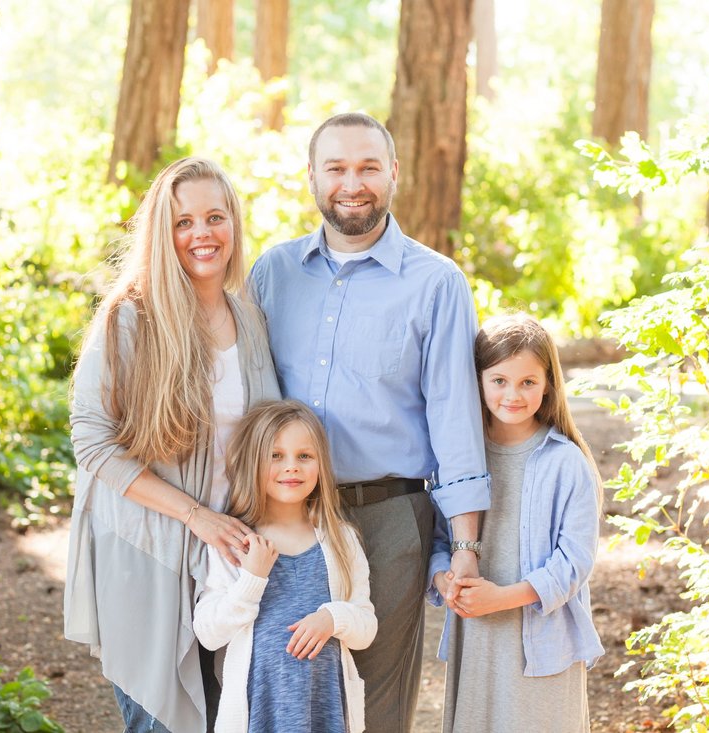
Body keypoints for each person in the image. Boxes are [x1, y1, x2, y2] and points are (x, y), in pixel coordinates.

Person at [248, 112, 490, 733]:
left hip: (389, 521)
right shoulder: (271, 274)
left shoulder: (437, 284)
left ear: (393, 174)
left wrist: (464, 546)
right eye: (336, 168)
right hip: (286, 520)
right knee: (280, 691)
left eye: (367, 167)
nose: (351, 183)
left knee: (375, 708)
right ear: (311, 176)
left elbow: (455, 421)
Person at [64, 157, 281, 733]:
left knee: (227, 718)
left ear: (233, 224)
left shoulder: (249, 318)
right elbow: (92, 441)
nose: (201, 234)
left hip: (228, 560)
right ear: (163, 232)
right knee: (163, 722)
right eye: (183, 222)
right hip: (146, 548)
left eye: (214, 217)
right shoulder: (129, 320)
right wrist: (196, 517)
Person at [428, 313, 605, 732]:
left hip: (544, 646)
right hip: (477, 639)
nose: (514, 394)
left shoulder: (566, 462)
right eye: (499, 380)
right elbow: (436, 538)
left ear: (548, 385)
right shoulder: (457, 460)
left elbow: (574, 563)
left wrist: (502, 598)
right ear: (478, 380)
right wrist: (444, 581)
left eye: (528, 381)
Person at [193, 399, 377, 733]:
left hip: (326, 711)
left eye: (304, 456)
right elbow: (208, 633)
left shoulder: (340, 540)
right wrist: (252, 578)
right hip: (259, 712)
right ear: (253, 463)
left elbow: (366, 627)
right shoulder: (234, 541)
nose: (291, 466)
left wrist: (331, 619)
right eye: (276, 456)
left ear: (321, 465)